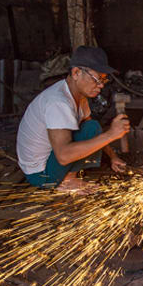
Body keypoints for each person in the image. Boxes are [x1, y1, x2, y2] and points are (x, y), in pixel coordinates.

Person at [16, 46, 129, 191]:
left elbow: (91, 130)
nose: (100, 86)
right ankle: (68, 181)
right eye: (96, 79)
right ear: (76, 73)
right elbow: (63, 156)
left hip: (50, 162)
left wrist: (113, 157)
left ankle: (67, 176)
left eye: (104, 80)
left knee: (91, 127)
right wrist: (111, 134)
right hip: (42, 176)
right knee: (90, 131)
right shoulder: (58, 103)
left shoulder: (78, 95)